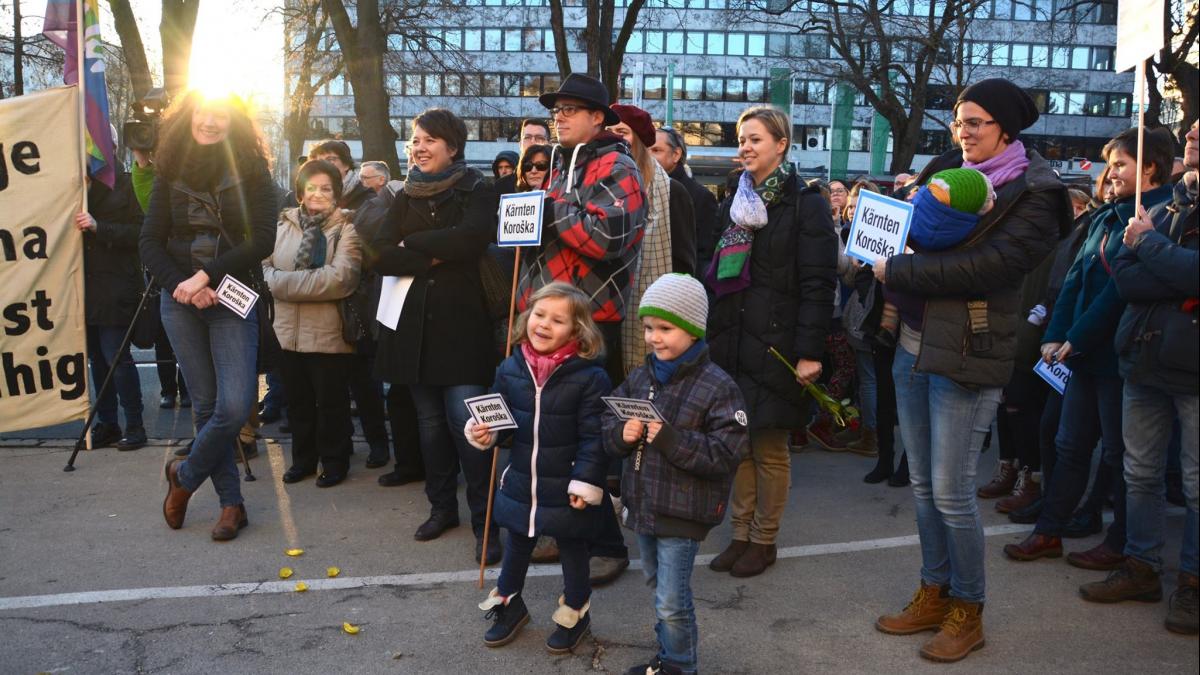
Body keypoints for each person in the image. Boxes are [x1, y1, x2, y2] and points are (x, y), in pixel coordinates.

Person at [872, 78, 1068, 662]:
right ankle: (933, 592)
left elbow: (991, 267)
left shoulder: (1037, 193)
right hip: (913, 342)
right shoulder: (945, 166)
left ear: (1007, 129)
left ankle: (968, 611)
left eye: (977, 122)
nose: (963, 131)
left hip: (968, 350)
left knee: (954, 492)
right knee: (925, 487)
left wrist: (900, 270)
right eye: (959, 120)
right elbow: (905, 226)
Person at [1004, 127, 1176, 574]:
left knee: (1122, 457)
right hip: (1081, 356)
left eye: (1120, 164)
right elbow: (1075, 281)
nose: (1109, 173)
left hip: (1121, 356)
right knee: (1068, 443)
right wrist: (1053, 335)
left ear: (1150, 166)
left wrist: (1073, 339)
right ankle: (1049, 529)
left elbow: (1118, 292)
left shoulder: (1158, 215)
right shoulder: (1106, 216)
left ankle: (1120, 542)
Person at [520, 73, 648, 584]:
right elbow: (545, 239)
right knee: (550, 434)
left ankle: (607, 544)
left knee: (589, 439)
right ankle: (563, 528)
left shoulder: (619, 166)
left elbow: (608, 235)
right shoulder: (555, 165)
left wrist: (547, 209)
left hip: (592, 325)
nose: (560, 117)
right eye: (557, 110)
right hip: (546, 321)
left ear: (598, 117)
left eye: (571, 109)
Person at [705, 105, 837, 578]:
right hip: (734, 343)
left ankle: (764, 540)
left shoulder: (806, 204)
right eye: (742, 138)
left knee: (770, 448)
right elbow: (718, 279)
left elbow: (818, 285)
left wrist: (809, 353)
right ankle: (739, 534)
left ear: (781, 144)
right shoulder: (732, 203)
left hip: (779, 347)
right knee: (738, 446)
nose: (745, 146)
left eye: (756, 139)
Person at [140, 91, 277, 542]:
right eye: (204, 112)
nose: (211, 121)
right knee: (204, 406)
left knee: (235, 406)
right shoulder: (168, 171)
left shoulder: (251, 172)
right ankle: (230, 505)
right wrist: (184, 284)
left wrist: (207, 276)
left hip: (231, 296)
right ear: (189, 117)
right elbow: (149, 243)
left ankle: (184, 474)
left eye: (221, 114)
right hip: (179, 299)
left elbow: (261, 240)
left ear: (233, 122)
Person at [368, 109, 501, 562]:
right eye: (415, 140)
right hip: (412, 331)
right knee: (429, 428)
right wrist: (432, 255)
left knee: (470, 429)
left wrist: (414, 245)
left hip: (462, 329)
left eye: (429, 140)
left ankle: (486, 523)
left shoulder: (477, 189)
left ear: (453, 147)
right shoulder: (404, 195)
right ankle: (441, 508)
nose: (418, 147)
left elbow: (471, 240)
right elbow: (380, 254)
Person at [602, 274, 749, 675]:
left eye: (665, 328)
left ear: (693, 329)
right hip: (646, 505)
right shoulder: (640, 376)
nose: (653, 337)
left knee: (672, 598)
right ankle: (668, 655)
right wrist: (621, 433)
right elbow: (607, 425)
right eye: (648, 327)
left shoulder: (719, 386)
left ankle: (680, 666)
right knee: (658, 587)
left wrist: (668, 438)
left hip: (684, 513)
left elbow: (727, 452)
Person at [469, 283, 611, 655]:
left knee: (572, 548)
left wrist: (584, 482)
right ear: (526, 317)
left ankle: (575, 615)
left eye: (558, 319)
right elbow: (502, 421)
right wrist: (487, 431)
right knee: (517, 544)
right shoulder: (510, 367)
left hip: (566, 485)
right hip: (521, 481)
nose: (544, 324)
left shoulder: (590, 378)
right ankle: (509, 606)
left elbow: (593, 437)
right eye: (539, 314)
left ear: (578, 330)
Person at [1103, 119, 1198, 635]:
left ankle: (1193, 586)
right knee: (1140, 473)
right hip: (1144, 359)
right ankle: (1141, 567)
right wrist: (1165, 261)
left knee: (1197, 483)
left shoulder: (1151, 222)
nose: (1193, 137)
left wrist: (1149, 247)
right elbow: (1125, 277)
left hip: (1193, 369)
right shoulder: (1165, 209)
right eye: (1192, 133)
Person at [263, 160, 361, 487]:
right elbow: (262, 270)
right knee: (298, 403)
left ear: (337, 192)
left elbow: (340, 279)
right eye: (311, 188)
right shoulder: (282, 224)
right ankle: (303, 460)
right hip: (286, 333)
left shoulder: (347, 227)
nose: (317, 194)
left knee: (331, 405)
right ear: (300, 191)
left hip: (329, 334)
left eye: (326, 188)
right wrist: (298, 282)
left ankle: (335, 461)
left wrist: (282, 283)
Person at [609, 102, 697, 376]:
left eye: (621, 131)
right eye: (608, 130)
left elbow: (684, 262)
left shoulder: (672, 192)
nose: (613, 137)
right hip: (607, 313)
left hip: (653, 312)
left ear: (638, 140)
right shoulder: (597, 186)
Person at [351, 160, 423, 481]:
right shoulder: (386, 202)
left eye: (367, 178)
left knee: (425, 399)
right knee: (398, 394)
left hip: (428, 304)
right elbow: (377, 249)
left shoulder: (453, 197)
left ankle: (431, 465)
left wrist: (413, 247)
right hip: (390, 302)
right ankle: (407, 463)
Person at [78, 166, 147, 451]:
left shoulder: (125, 184)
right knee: (97, 360)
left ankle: (135, 425)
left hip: (115, 288)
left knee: (117, 359)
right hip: (83, 289)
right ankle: (108, 424)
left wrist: (99, 227)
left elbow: (140, 233)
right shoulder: (74, 186)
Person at [651, 126, 718, 277]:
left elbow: (704, 252)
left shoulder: (701, 196)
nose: (649, 156)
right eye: (646, 150)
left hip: (680, 288)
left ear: (676, 155)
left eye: (656, 150)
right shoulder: (644, 190)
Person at [308, 140, 373, 210]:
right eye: (319, 161)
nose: (324, 165)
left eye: (330, 159)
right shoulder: (311, 196)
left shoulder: (367, 200)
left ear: (346, 164)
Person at [494, 118, 552, 196]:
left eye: (539, 138)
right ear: (520, 144)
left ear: (549, 143)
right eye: (527, 138)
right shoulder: (502, 186)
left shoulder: (561, 181)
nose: (533, 142)